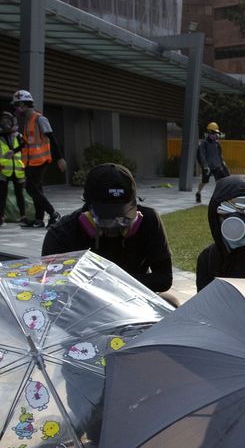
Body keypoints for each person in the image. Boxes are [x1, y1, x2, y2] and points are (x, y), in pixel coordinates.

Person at [42, 163, 174, 297]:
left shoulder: (148, 220)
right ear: (88, 207)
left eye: (124, 218)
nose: (116, 225)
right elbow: (51, 288)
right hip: (82, 303)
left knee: (171, 301)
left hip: (133, 298)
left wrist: (112, 283)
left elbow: (164, 278)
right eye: (106, 218)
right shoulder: (62, 234)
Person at [12, 90, 63, 228]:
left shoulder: (40, 119)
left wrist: (60, 158)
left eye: (16, 106)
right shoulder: (28, 121)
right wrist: (14, 151)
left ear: (22, 104)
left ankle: (53, 214)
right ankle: (39, 220)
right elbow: (26, 144)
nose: (15, 109)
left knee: (30, 188)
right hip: (31, 161)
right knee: (37, 189)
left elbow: (52, 139)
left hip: (41, 160)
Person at [0, 111, 26, 226]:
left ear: (12, 122)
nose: (5, 123)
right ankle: (1, 217)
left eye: (8, 120)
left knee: (19, 193)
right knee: (2, 194)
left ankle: (23, 216)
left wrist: (14, 151)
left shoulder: (18, 136)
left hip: (17, 169)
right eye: (3, 120)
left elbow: (25, 144)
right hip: (2, 169)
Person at [196, 122, 229, 204]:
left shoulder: (217, 144)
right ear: (209, 133)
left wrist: (223, 163)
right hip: (207, 167)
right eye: (214, 133)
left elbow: (219, 155)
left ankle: (217, 197)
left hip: (216, 166)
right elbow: (202, 156)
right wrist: (205, 166)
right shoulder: (204, 144)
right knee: (204, 181)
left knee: (218, 182)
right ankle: (198, 193)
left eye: (216, 134)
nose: (216, 135)